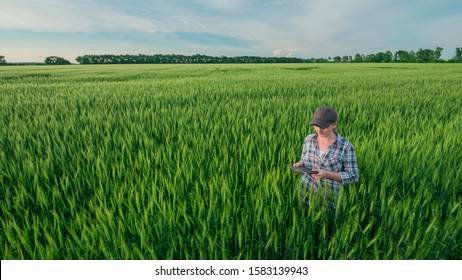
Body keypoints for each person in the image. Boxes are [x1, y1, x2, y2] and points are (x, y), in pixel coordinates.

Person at [293, 106, 359, 207]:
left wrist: (327, 174)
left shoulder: (345, 146)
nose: (318, 130)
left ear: (334, 125)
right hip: (304, 191)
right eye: (316, 125)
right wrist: (300, 164)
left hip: (329, 198)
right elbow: (304, 159)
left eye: (323, 126)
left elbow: (353, 176)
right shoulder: (308, 139)